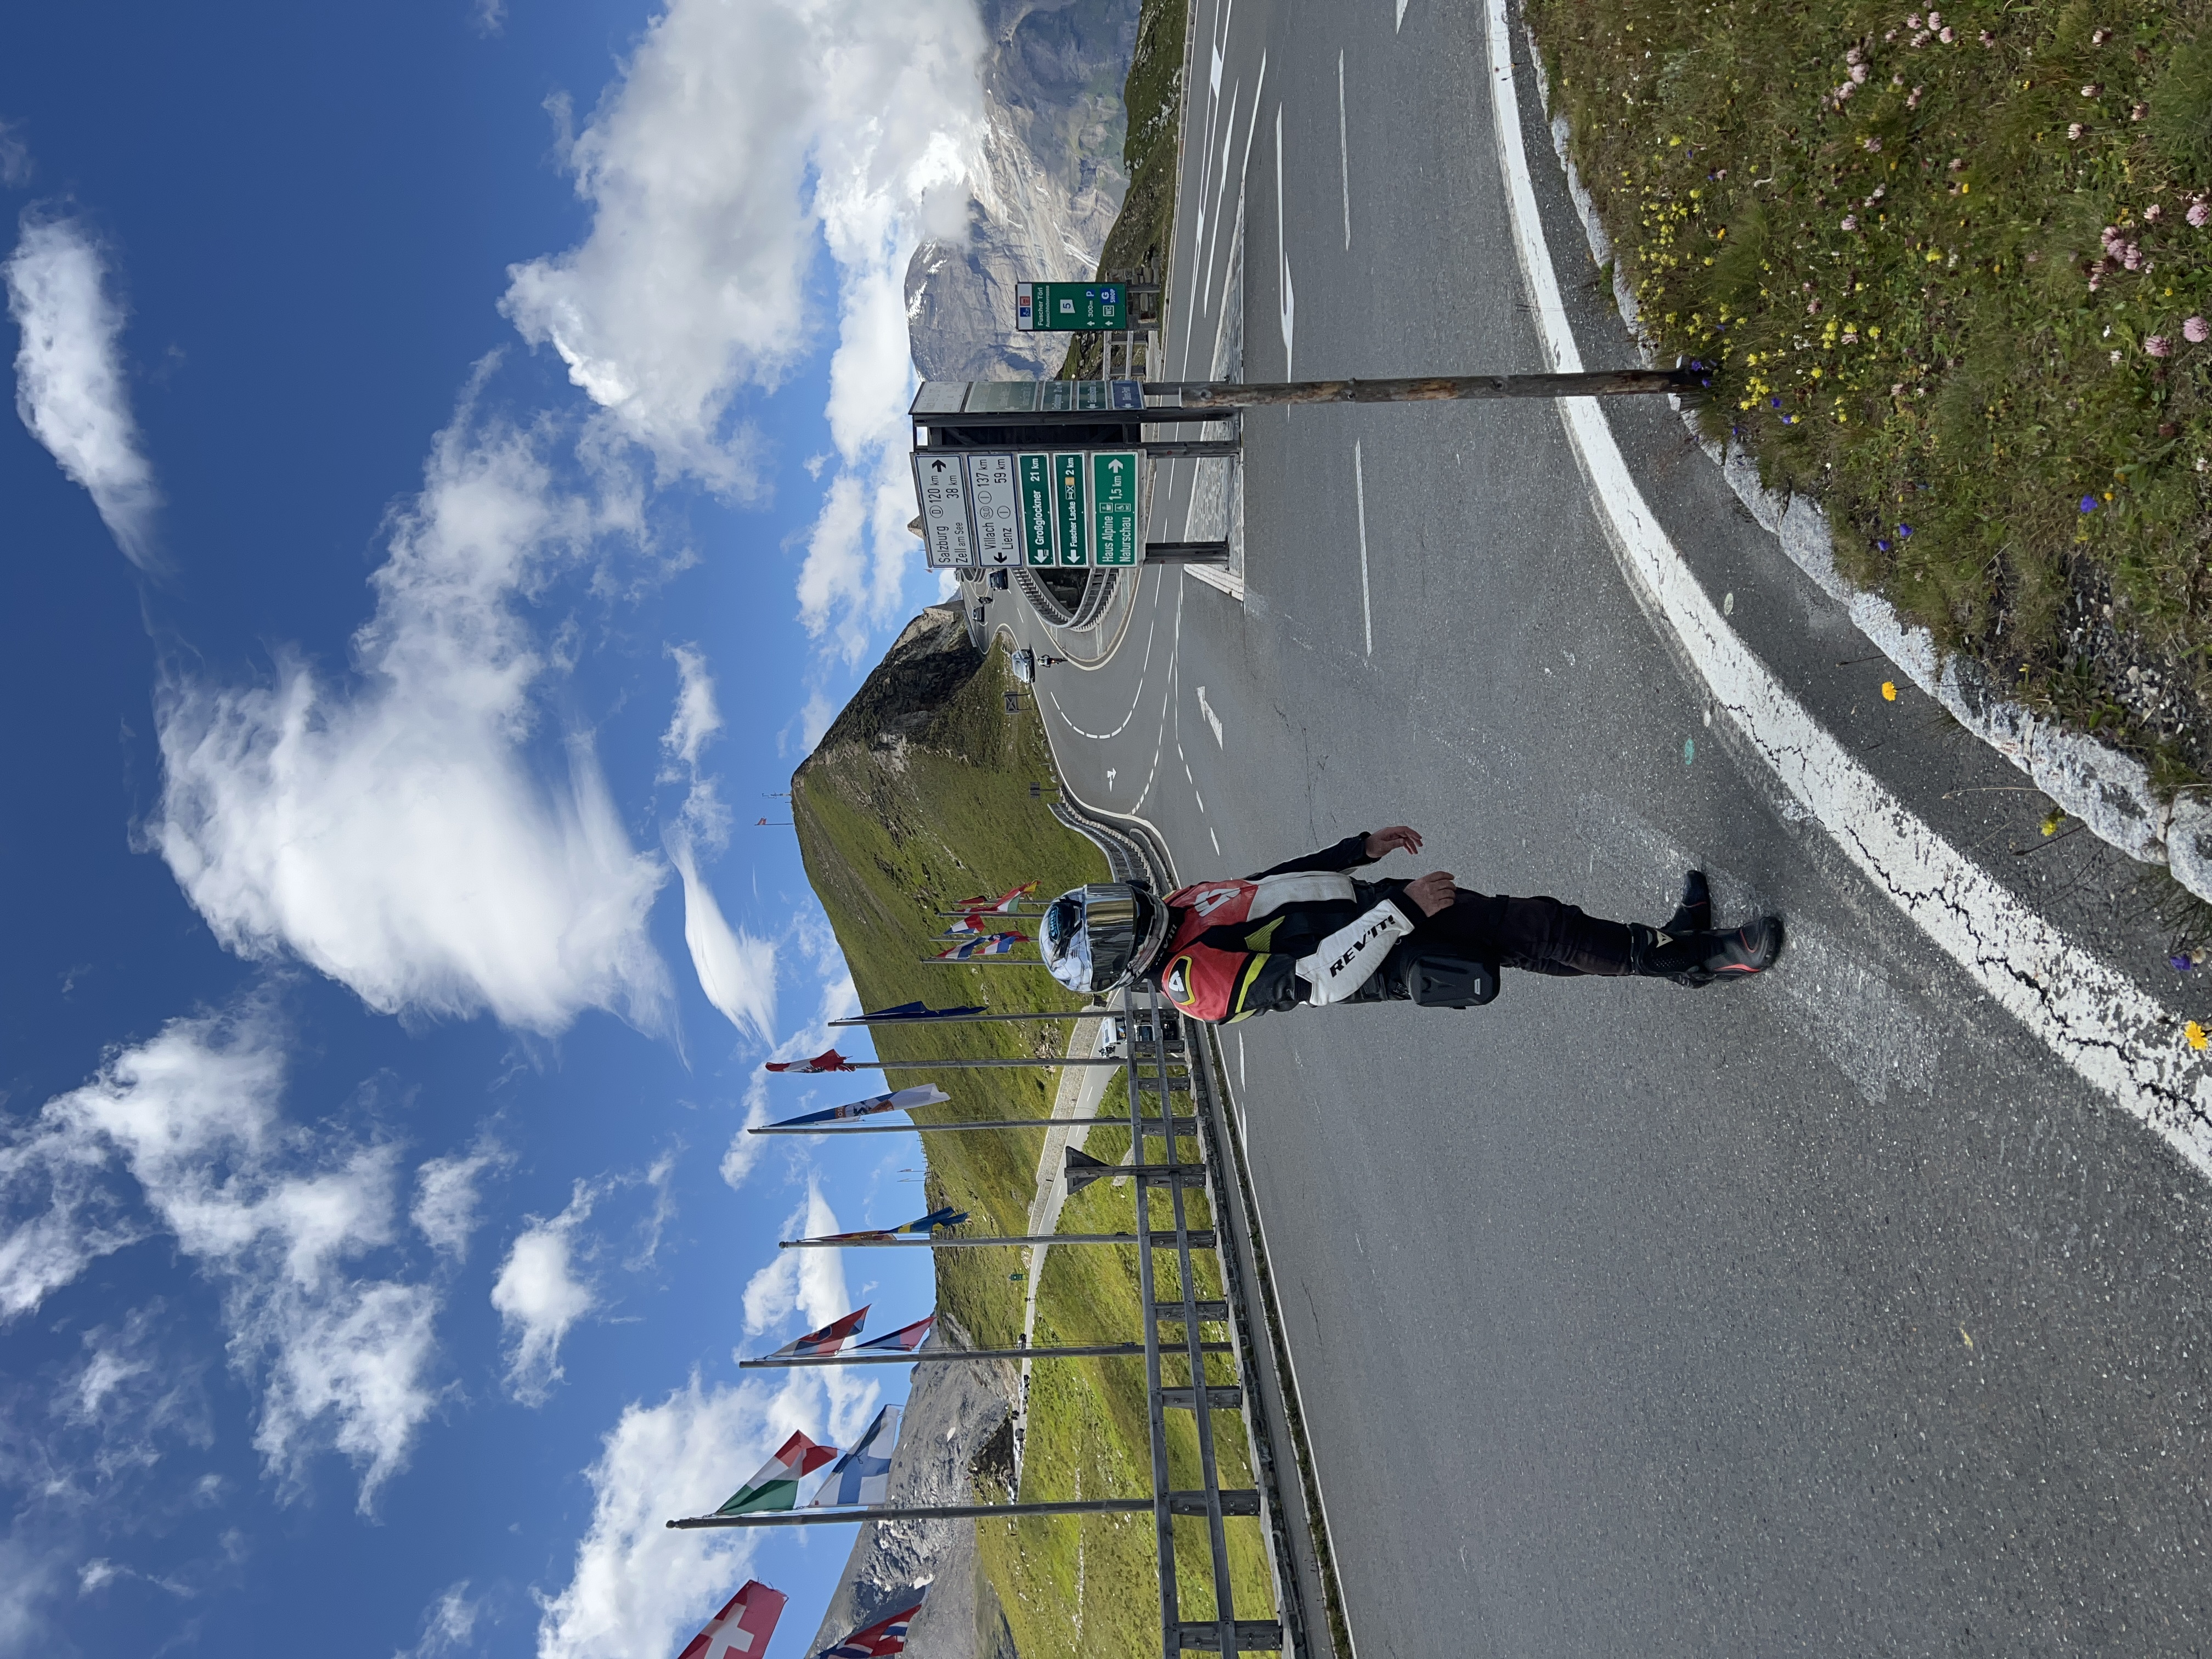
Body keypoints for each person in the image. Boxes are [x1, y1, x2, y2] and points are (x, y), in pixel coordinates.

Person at [1037, 825, 1782, 1022]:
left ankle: (1676, 946)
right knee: (1542, 929)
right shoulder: (1188, 981)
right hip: (1393, 947)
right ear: (1115, 958)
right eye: (1105, 923)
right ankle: (1701, 956)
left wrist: (1355, 851)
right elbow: (1317, 983)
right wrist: (1397, 913)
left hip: (1388, 909)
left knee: (1535, 935)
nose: (1117, 905)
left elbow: (1271, 886)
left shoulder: (1176, 907)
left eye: (1099, 901)